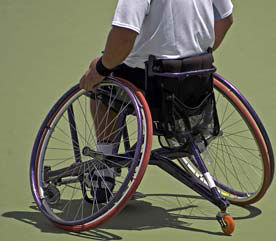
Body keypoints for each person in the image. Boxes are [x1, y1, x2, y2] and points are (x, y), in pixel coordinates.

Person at [79, 0, 233, 203]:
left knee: (102, 75)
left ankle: (104, 167)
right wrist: (195, 55)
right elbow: (226, 19)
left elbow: (123, 37)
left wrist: (99, 71)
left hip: (154, 84)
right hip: (196, 77)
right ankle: (190, 132)